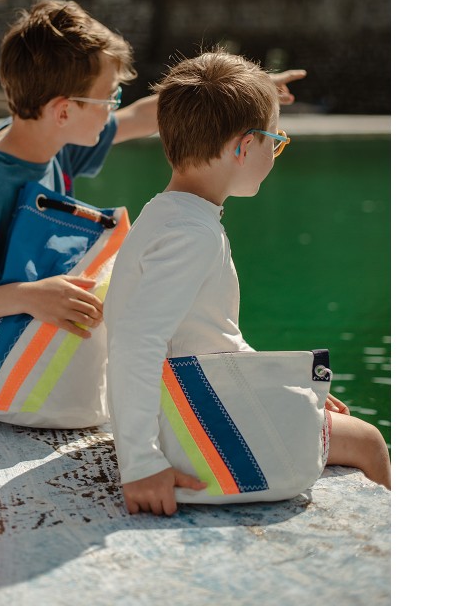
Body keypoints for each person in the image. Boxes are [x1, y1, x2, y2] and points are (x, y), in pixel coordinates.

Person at [0, 0, 307, 369]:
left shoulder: (53, 141)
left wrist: (244, 93)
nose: (115, 108)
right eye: (108, 99)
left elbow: (138, 119)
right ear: (64, 111)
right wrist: (27, 296)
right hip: (15, 362)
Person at [104, 49, 391, 517]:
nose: (274, 153)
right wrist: (140, 463)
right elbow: (138, 342)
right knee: (369, 442)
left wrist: (285, 385)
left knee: (318, 406)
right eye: (274, 142)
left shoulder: (165, 214)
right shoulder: (193, 237)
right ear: (243, 146)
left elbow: (203, 336)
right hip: (193, 430)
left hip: (181, 408)